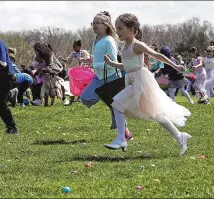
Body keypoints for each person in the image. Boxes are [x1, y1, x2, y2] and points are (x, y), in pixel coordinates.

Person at [103, 13, 191, 156]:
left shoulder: (137, 45)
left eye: (120, 29)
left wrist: (175, 66)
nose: (117, 32)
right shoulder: (126, 46)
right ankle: (180, 136)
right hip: (132, 80)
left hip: (141, 83)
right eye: (116, 29)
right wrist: (113, 64)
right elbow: (128, 67)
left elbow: (158, 56)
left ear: (132, 29)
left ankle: (121, 138)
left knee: (116, 104)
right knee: (155, 114)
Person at [81, 11, 133, 141]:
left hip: (111, 78)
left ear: (106, 25)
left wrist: (95, 64)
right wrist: (92, 60)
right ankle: (105, 97)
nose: (94, 25)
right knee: (85, 97)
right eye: (93, 23)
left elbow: (112, 63)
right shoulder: (96, 40)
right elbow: (100, 58)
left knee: (116, 108)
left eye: (97, 23)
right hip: (99, 77)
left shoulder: (109, 41)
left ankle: (125, 134)